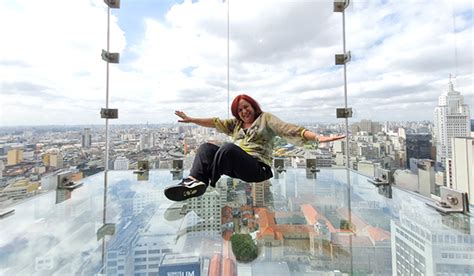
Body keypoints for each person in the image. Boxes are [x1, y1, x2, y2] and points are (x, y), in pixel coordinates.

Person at [164, 94, 345, 201]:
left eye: (246, 107)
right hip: (238, 167)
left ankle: (207, 183)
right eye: (239, 110)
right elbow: (215, 122)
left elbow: (288, 129)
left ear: (253, 106)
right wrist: (191, 119)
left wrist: (318, 137)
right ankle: (191, 182)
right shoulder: (236, 124)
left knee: (228, 148)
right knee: (205, 148)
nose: (244, 111)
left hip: (258, 169)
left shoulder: (265, 119)